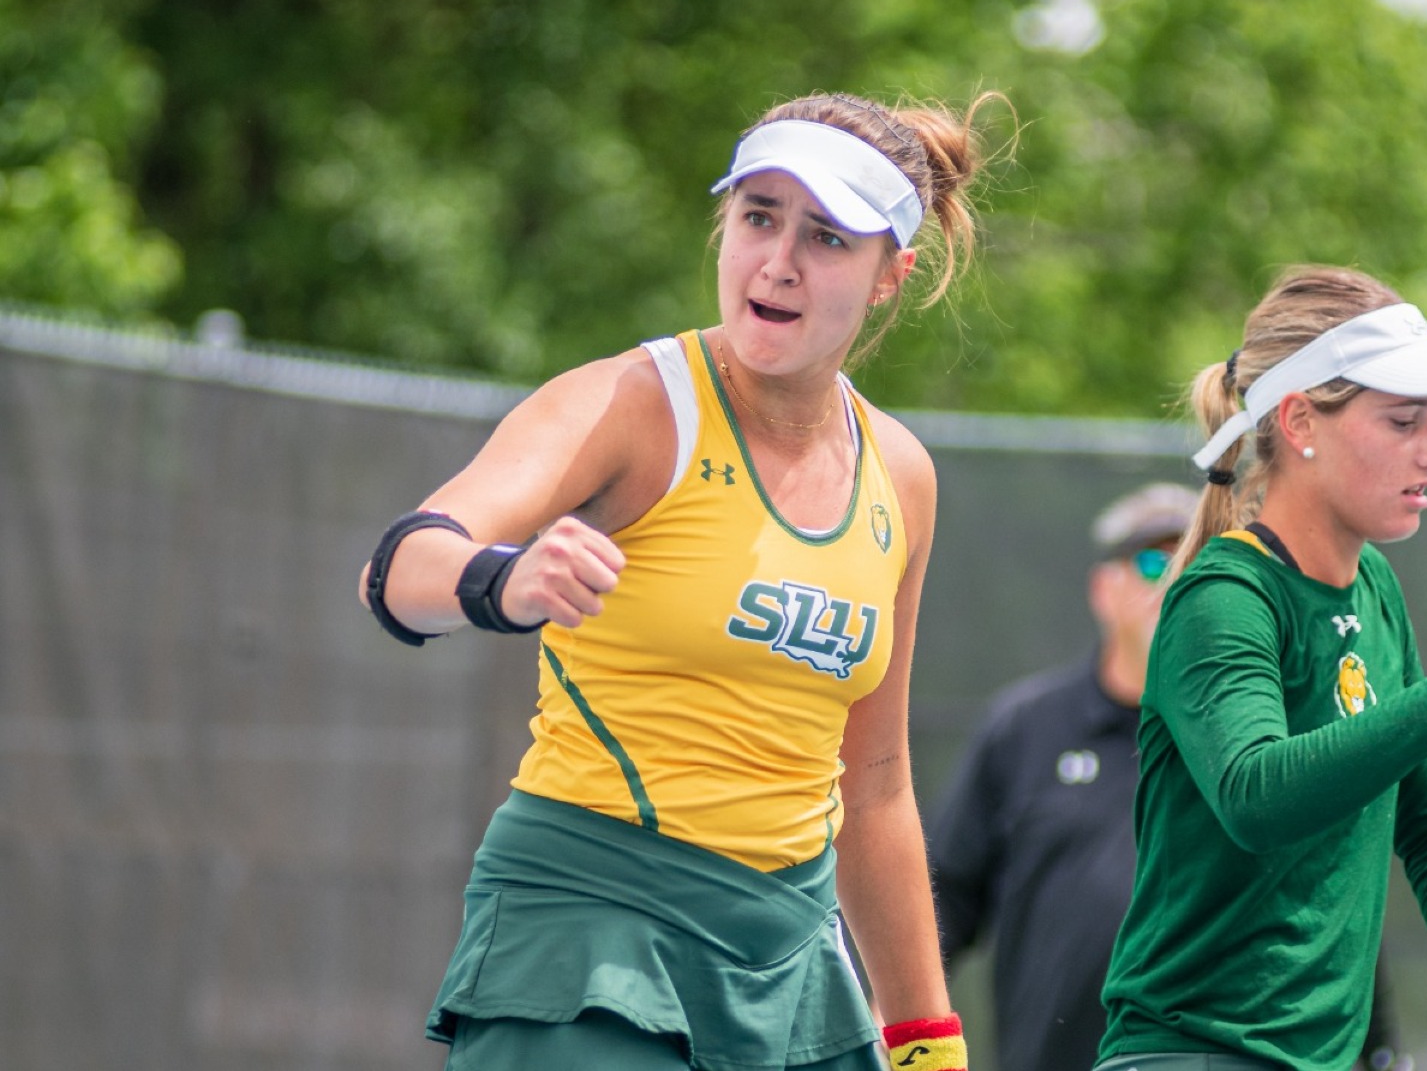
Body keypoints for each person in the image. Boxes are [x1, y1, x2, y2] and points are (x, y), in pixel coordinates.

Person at [356, 90, 1004, 1071]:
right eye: (758, 216)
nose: (778, 261)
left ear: (889, 276)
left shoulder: (900, 475)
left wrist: (923, 1033)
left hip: (790, 958)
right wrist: (504, 577)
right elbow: (398, 566)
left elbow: (872, 783)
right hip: (592, 926)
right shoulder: (635, 404)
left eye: (827, 236)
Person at [1095, 266, 1427, 1071]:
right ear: (1300, 420)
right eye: (1404, 420)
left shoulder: (1374, 587)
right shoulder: (1223, 596)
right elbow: (1257, 796)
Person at [929, 483, 1409, 1071]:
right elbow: (944, 897)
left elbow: (1339, 896)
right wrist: (889, 1014)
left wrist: (1381, 1054)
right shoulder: (1024, 729)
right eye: (1154, 561)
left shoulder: (1277, 734)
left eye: (1199, 559)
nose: (1176, 579)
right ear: (1103, 590)